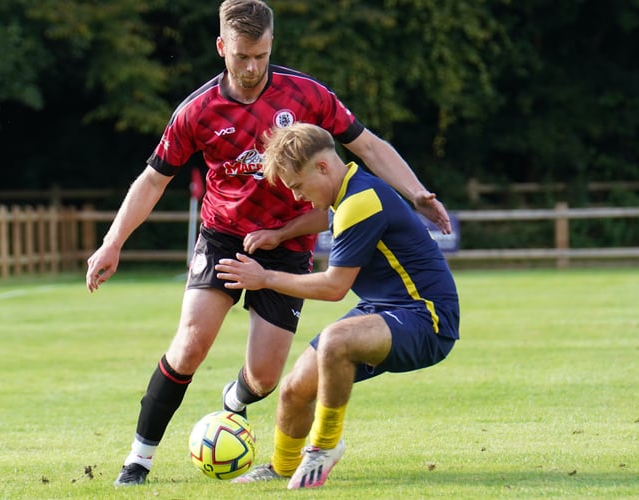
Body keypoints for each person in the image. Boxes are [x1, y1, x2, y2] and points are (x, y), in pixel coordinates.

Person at [85, 0, 452, 486]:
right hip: (222, 236)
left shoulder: (307, 94)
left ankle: (233, 404)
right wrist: (113, 242)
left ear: (271, 44)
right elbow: (152, 181)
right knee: (190, 344)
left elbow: (367, 145)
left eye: (260, 54)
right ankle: (138, 460)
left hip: (288, 244)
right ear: (222, 48)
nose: (253, 66)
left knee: (264, 377)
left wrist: (417, 192)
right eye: (241, 56)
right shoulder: (196, 111)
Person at [215, 122, 460, 489]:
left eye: (298, 186)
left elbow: (334, 287)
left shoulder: (361, 201)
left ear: (324, 168)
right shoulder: (348, 193)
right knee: (294, 389)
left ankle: (323, 447)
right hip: (384, 310)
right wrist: (280, 235)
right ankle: (282, 466)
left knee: (335, 341)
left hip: (426, 318)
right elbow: (320, 218)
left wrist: (264, 278)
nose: (297, 197)